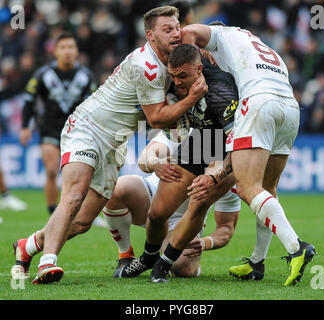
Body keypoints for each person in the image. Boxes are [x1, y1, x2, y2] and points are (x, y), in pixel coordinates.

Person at [11, 6, 207, 285]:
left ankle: (28, 246)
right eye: (167, 29)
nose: (175, 33)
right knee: (75, 194)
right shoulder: (147, 66)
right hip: (87, 128)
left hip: (115, 143)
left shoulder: (174, 61)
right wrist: (192, 98)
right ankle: (47, 263)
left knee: (82, 221)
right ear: (150, 35)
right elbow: (156, 118)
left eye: (177, 27)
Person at [153, 22, 316, 286]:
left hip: (260, 102)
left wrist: (197, 65)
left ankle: (297, 247)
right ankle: (257, 262)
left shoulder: (220, 35)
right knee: (267, 188)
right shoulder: (262, 47)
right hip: (289, 107)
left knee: (247, 186)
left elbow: (188, 34)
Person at [119, 43, 239, 282]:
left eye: (183, 76)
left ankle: (162, 266)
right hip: (201, 141)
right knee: (157, 214)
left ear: (199, 69)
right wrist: (156, 163)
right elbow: (149, 149)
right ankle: (148, 257)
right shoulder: (171, 85)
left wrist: (214, 176)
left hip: (223, 147)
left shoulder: (221, 94)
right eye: (174, 76)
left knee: (200, 200)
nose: (178, 82)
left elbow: (238, 147)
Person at [104, 130, 240, 278]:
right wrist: (154, 163)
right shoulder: (184, 132)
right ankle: (126, 256)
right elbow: (145, 157)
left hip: (183, 221)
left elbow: (226, 228)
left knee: (184, 270)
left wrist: (204, 243)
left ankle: (164, 256)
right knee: (115, 190)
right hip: (151, 195)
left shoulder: (227, 174)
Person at [19, 32, 97, 216]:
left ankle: (81, 213)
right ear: (55, 51)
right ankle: (54, 213)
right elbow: (29, 101)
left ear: (76, 51)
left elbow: (95, 104)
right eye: (63, 48)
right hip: (50, 129)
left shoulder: (86, 76)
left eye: (71, 47)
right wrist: (24, 127)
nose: (67, 51)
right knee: (52, 171)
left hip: (78, 131)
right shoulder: (43, 75)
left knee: (79, 176)